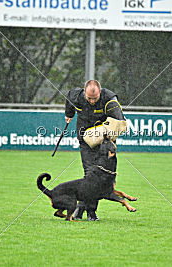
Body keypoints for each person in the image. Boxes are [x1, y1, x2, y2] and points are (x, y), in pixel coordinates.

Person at [65, 80, 125, 221]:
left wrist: (116, 126)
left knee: (96, 178)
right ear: (84, 91)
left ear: (100, 92)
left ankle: (84, 211)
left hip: (103, 143)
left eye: (95, 98)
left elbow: (119, 118)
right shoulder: (76, 96)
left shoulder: (109, 99)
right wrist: (69, 114)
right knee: (89, 175)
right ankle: (87, 212)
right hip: (85, 139)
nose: (92, 101)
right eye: (89, 98)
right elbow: (68, 97)